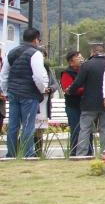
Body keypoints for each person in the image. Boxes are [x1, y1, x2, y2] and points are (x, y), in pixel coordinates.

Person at [1, 28, 49, 158]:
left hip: (13, 93)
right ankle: (28, 153)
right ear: (35, 39)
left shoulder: (11, 52)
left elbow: (4, 74)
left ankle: (12, 153)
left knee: (13, 125)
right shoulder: (35, 53)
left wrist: (6, 91)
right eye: (39, 40)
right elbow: (38, 76)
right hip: (29, 94)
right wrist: (42, 89)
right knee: (28, 125)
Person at [69, 41, 105, 157]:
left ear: (92, 52)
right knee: (104, 129)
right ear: (104, 52)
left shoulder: (87, 65)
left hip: (89, 103)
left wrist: (70, 91)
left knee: (85, 129)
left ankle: (82, 154)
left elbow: (78, 82)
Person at [60, 50, 84, 153]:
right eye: (78, 57)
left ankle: (87, 151)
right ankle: (74, 151)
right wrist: (85, 89)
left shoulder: (84, 70)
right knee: (75, 129)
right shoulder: (67, 73)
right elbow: (67, 89)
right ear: (71, 62)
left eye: (81, 56)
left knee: (86, 129)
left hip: (84, 105)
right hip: (73, 106)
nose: (81, 59)